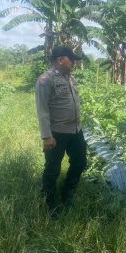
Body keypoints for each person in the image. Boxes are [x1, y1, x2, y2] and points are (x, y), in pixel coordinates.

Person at [35, 46, 87, 216]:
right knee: (52, 168)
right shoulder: (45, 79)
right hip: (56, 133)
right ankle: (50, 202)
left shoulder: (71, 79)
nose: (73, 62)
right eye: (70, 59)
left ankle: (67, 193)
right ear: (60, 60)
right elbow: (42, 110)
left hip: (75, 131)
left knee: (80, 162)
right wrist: (46, 136)